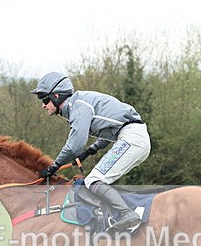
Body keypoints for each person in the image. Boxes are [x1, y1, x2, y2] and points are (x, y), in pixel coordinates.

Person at [30, 72, 150, 230]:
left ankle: (126, 214)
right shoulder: (78, 103)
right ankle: (107, 218)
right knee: (99, 180)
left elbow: (74, 145)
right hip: (132, 137)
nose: (43, 105)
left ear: (57, 96)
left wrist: (54, 166)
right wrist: (90, 151)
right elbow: (109, 131)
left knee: (94, 180)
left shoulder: (78, 106)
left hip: (132, 138)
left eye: (44, 99)